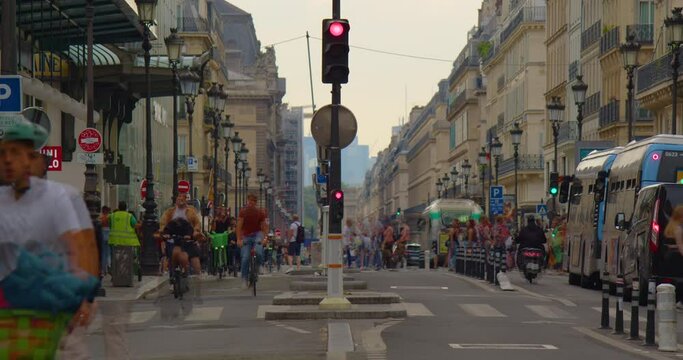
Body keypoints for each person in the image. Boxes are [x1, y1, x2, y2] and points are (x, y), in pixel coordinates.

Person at [0, 119, 99, 358]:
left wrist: (84, 298)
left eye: (16, 153)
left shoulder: (59, 197)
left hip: (54, 306)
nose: (8, 160)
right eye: (3, 153)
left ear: (32, 158)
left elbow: (81, 247)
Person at [159, 193, 203, 276]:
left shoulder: (191, 211)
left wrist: (195, 232)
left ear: (186, 201)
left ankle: (198, 276)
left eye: (182, 199)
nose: (180, 200)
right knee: (168, 255)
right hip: (173, 239)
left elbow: (197, 223)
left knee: (194, 257)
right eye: (178, 198)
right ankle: (167, 273)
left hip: (187, 239)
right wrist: (164, 233)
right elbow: (163, 223)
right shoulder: (169, 211)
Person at [236, 193, 268, 289]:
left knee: (258, 250)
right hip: (246, 236)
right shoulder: (243, 212)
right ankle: (244, 279)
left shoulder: (260, 213)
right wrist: (238, 239)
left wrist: (265, 238)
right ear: (247, 202)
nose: (251, 204)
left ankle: (259, 265)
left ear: (255, 203)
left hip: (257, 233)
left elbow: (264, 227)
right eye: (249, 201)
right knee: (245, 257)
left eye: (253, 202)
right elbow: (239, 226)